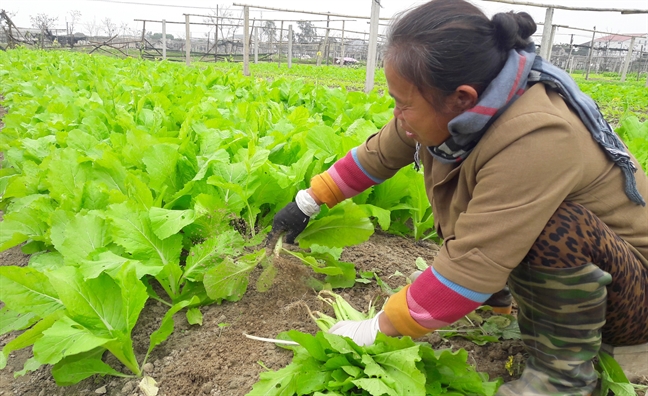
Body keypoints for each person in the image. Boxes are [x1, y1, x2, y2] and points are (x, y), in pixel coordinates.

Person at [268, 0, 648, 395]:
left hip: (633, 299)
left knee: (553, 226)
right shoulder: (450, 108)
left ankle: (563, 379)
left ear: (463, 97)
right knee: (486, 206)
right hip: (585, 275)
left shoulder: (539, 134)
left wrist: (378, 327)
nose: (397, 114)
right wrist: (308, 201)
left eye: (404, 103)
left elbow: (474, 260)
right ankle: (497, 300)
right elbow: (377, 155)